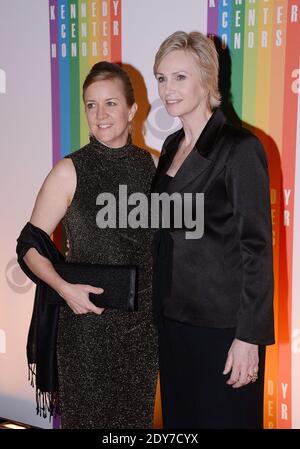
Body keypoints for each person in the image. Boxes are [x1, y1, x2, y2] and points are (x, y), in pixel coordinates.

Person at [16, 61, 158, 429]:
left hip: (141, 333)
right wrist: (64, 289)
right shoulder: (69, 170)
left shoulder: (155, 167)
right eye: (91, 105)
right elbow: (28, 244)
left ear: (132, 109)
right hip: (86, 329)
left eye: (111, 103)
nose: (101, 114)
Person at [151, 31, 274, 429]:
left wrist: (249, 338)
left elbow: (256, 248)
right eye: (162, 78)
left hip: (222, 330)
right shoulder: (170, 146)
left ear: (208, 79)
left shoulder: (239, 148)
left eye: (180, 77)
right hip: (172, 322)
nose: (168, 89)